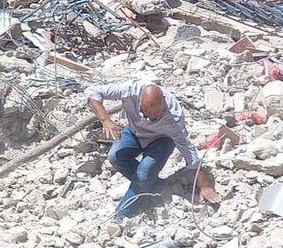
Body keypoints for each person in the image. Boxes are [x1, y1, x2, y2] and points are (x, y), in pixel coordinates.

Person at [86, 79, 219, 219]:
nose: (152, 118)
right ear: (139, 103)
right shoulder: (129, 90)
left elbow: (188, 151)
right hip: (134, 132)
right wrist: (106, 120)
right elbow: (92, 92)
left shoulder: (173, 117)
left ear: (163, 104)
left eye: (157, 116)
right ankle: (155, 187)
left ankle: (122, 215)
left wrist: (205, 186)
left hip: (161, 139)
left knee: (143, 174)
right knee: (115, 157)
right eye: (147, 115)